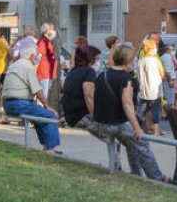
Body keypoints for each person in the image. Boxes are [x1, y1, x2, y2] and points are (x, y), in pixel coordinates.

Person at [88, 43, 169, 181]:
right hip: (117, 123)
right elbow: (127, 104)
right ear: (128, 61)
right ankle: (158, 178)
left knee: (131, 144)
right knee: (142, 145)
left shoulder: (102, 75)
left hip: (102, 123)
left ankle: (136, 173)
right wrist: (137, 128)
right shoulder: (126, 79)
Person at [2, 42, 62, 154]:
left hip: (8, 104)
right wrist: (47, 106)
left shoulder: (14, 64)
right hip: (20, 104)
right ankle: (50, 149)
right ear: (31, 56)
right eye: (37, 55)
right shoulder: (27, 66)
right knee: (50, 115)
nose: (38, 57)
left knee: (39, 118)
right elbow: (37, 89)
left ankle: (47, 146)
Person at [61, 44, 101, 129]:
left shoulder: (72, 72)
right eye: (97, 59)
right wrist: (96, 118)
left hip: (70, 115)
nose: (98, 62)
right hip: (81, 116)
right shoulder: (89, 72)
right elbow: (89, 95)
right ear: (90, 59)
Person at [136, 40, 165, 135]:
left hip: (143, 90)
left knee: (143, 110)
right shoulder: (156, 60)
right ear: (151, 49)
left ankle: (143, 128)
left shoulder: (140, 60)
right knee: (155, 109)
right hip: (155, 90)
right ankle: (156, 130)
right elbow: (162, 73)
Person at [35, 23, 58, 99]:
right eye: (51, 29)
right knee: (43, 96)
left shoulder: (47, 41)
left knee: (44, 95)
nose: (53, 31)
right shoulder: (43, 42)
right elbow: (38, 56)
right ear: (47, 31)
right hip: (43, 72)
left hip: (47, 71)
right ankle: (41, 109)